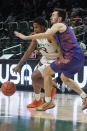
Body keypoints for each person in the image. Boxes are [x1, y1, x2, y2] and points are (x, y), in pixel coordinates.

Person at [14, 8, 87, 111]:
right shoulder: (61, 30)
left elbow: (47, 34)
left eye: (53, 15)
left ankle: (48, 102)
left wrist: (25, 37)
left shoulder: (59, 25)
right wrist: (47, 54)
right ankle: (84, 97)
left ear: (59, 18)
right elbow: (62, 49)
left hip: (72, 57)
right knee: (64, 78)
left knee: (47, 72)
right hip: (77, 58)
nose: (51, 17)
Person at [13, 17, 58, 108]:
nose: (35, 30)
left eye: (37, 27)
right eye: (34, 27)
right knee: (34, 79)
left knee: (34, 75)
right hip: (45, 59)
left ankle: (51, 89)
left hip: (54, 59)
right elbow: (28, 52)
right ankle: (38, 100)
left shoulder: (50, 35)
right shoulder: (36, 37)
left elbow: (60, 51)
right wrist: (19, 65)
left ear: (43, 27)